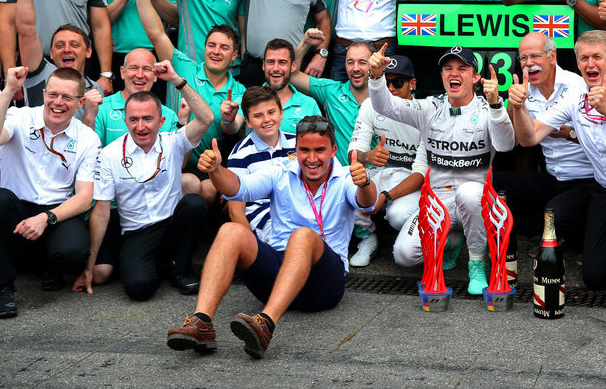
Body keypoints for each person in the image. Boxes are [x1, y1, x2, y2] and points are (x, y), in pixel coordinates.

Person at [167, 117, 376, 358]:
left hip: (323, 285)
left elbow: (367, 203)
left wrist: (365, 182)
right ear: (295, 149)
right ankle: (201, 322)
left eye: (320, 150)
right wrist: (215, 170)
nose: (311, 158)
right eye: (304, 150)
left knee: (303, 235)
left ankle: (266, 323)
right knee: (230, 231)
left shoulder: (346, 177)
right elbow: (237, 188)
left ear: (333, 150)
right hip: (277, 274)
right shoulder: (280, 172)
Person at [509, 31, 606, 306]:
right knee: (596, 277)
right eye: (584, 58)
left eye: (597, 57)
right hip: (603, 186)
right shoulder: (575, 97)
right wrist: (518, 108)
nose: (590, 64)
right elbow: (529, 138)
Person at [367, 45, 515, 295]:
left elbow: (506, 145)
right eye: (448, 68)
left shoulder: (485, 108)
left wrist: (497, 106)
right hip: (437, 203)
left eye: (462, 68)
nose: (454, 73)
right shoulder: (429, 108)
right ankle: (452, 240)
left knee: (469, 193)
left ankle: (477, 263)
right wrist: (376, 77)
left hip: (476, 199)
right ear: (442, 75)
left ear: (476, 77)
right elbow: (386, 107)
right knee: (404, 255)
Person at [76, 61, 215, 300]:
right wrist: (89, 266)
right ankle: (160, 263)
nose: (140, 127)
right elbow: (101, 212)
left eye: (148, 119)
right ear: (126, 121)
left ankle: (181, 270)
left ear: (161, 122)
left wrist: (176, 80)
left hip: (171, 223)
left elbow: (205, 118)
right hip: (136, 231)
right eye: (134, 120)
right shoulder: (110, 154)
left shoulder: (173, 141)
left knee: (194, 204)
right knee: (139, 288)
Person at [0, 67, 101, 318]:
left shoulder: (88, 138)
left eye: (67, 98)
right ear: (44, 93)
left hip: (55, 212)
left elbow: (84, 198)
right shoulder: (19, 117)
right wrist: (9, 89)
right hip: (16, 207)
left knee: (74, 251)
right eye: (53, 94)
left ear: (80, 102)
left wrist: (46, 218)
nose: (58, 102)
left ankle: (49, 267)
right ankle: (2, 289)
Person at [133, 0, 245, 164]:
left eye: (224, 48)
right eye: (211, 45)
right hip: (169, 162)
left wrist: (228, 118)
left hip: (212, 167)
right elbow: (156, 34)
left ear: (234, 55)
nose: (216, 51)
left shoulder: (239, 91)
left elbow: (234, 128)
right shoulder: (184, 67)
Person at [495, 33, 595, 241]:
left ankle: (572, 237)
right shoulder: (523, 90)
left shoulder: (577, 85)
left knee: (555, 214)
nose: (529, 64)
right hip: (552, 177)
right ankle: (545, 234)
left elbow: (600, 136)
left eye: (535, 56)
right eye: (523, 58)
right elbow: (513, 143)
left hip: (586, 178)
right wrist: (514, 106)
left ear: (552, 56)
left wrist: (569, 133)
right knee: (493, 184)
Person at [347, 54, 425, 268]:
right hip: (380, 175)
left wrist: (385, 197)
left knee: (398, 216)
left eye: (398, 82)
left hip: (413, 181)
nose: (391, 88)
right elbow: (352, 154)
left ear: (413, 83)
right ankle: (367, 238)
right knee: (345, 179)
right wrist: (367, 156)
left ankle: (443, 237)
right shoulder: (370, 106)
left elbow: (421, 174)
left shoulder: (425, 112)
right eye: (386, 81)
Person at [14, 0, 104, 117]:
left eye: (74, 45)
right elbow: (26, 30)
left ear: (88, 51)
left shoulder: (96, 89)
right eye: (59, 45)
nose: (67, 49)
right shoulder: (39, 73)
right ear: (52, 53)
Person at [223, 86, 297, 249]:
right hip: (264, 221)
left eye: (271, 112)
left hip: (298, 210)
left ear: (281, 112)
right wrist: (255, 251)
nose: (267, 120)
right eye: (258, 116)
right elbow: (236, 211)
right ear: (248, 122)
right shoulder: (240, 155)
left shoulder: (298, 144)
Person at [289, 37, 371, 166]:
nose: (355, 68)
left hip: (377, 178)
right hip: (340, 178)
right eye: (350, 62)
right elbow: (292, 75)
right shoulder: (331, 91)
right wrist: (304, 44)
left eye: (362, 62)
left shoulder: (385, 100)